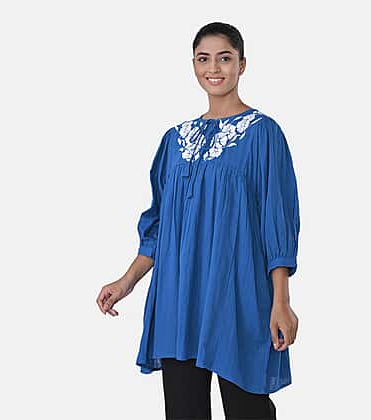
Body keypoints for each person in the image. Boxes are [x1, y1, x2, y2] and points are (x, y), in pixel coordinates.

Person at [96, 22, 301, 420]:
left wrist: (282, 301)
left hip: (237, 294)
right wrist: (127, 281)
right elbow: (160, 225)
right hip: (178, 296)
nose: (214, 68)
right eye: (203, 59)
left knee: (248, 409)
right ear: (193, 65)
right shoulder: (175, 140)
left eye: (225, 58)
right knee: (183, 410)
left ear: (242, 65)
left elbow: (278, 221)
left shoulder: (263, 134)